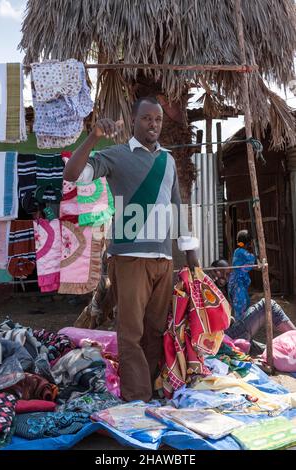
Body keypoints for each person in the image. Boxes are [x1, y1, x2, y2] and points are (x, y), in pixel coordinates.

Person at [64, 96, 199, 402]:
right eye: (147, 119)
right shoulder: (115, 155)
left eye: (158, 120)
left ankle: (152, 391)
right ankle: (137, 402)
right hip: (129, 258)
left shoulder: (168, 160)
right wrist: (94, 137)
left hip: (164, 260)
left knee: (155, 331)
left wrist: (190, 253)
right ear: (134, 121)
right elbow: (71, 175)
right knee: (130, 334)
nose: (153, 125)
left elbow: (177, 207)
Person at [209, 259, 296, 352]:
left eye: (228, 274)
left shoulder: (224, 288)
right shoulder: (208, 289)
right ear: (214, 272)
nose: (226, 278)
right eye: (222, 274)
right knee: (268, 304)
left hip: (228, 333)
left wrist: (230, 319)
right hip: (224, 336)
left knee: (268, 351)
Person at [228, 229, 256, 320]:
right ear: (248, 243)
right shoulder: (240, 251)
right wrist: (255, 252)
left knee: (245, 302)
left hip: (239, 282)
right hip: (237, 282)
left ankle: (242, 324)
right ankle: (239, 327)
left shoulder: (238, 251)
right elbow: (251, 258)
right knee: (241, 304)